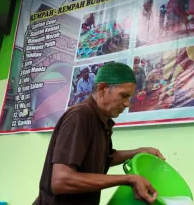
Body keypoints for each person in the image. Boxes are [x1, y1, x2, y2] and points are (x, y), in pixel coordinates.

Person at [34, 62, 164, 205]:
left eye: (129, 98)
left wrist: (140, 151)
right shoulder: (80, 115)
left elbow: (105, 157)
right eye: (123, 95)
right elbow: (61, 180)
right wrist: (129, 179)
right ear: (102, 88)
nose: (127, 104)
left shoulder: (101, 120)